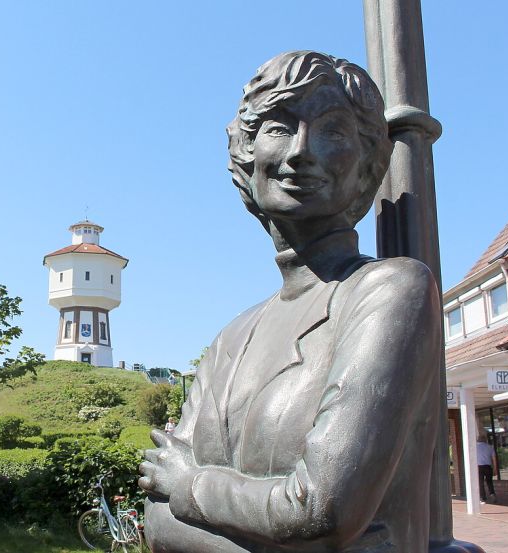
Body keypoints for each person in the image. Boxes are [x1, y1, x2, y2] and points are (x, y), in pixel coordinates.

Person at [139, 51, 439, 553]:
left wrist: (190, 488)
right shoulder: (231, 339)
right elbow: (157, 520)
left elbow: (320, 512)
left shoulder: (388, 291)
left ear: (368, 166)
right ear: (246, 154)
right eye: (279, 127)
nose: (302, 151)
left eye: (333, 132)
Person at [476, 436, 497, 504]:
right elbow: (494, 459)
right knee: (489, 482)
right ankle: (492, 494)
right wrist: (495, 469)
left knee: (480, 482)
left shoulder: (475, 447)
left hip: (479, 467)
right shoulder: (490, 447)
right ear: (485, 440)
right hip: (488, 467)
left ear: (478, 440)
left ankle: (483, 498)